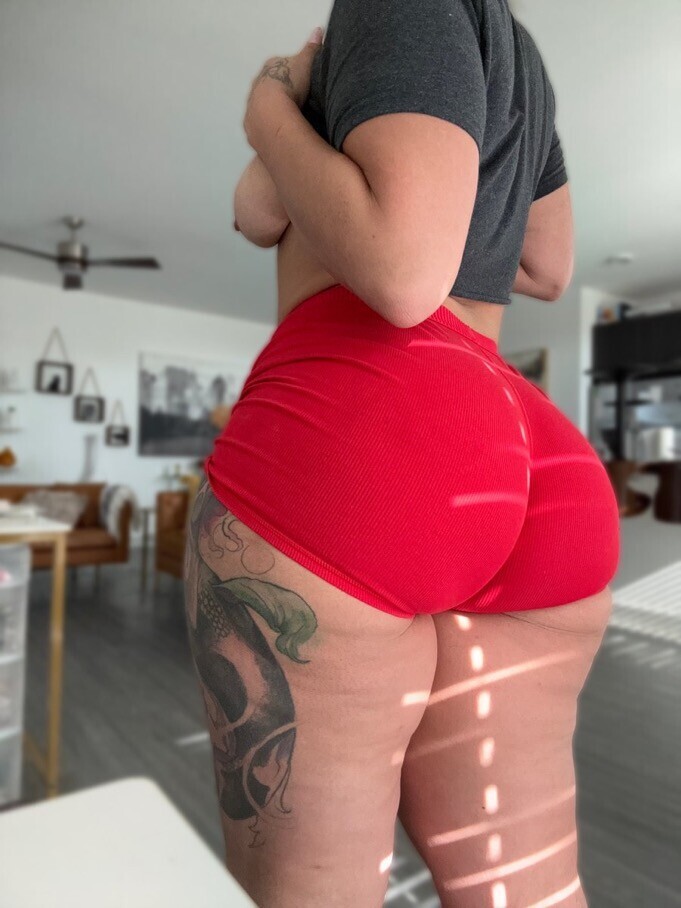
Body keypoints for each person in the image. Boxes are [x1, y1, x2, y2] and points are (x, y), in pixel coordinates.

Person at [184, 2, 621, 905]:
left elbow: (394, 264)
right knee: (525, 890)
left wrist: (266, 107)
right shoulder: (520, 62)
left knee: (315, 890)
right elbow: (545, 267)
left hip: (370, 415)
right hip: (526, 443)